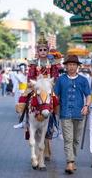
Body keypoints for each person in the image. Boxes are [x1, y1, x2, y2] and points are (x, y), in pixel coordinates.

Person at [25, 32, 60, 160]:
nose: (43, 51)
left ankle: (55, 122)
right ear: (37, 51)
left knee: (56, 101)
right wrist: (35, 82)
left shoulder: (53, 62)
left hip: (49, 87)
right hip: (37, 87)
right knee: (24, 98)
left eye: (45, 49)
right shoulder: (34, 63)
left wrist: (50, 82)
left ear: (48, 50)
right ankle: (24, 119)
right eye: (41, 50)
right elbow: (30, 76)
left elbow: (56, 76)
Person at [54, 55, 91, 174]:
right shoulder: (61, 80)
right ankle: (69, 162)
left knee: (76, 140)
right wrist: (56, 108)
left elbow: (88, 95)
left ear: (77, 66)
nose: (71, 67)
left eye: (74, 65)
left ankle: (72, 160)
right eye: (69, 64)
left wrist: (86, 106)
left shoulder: (83, 80)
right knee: (68, 139)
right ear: (66, 66)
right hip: (65, 113)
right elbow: (55, 95)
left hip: (80, 114)